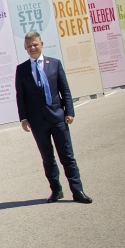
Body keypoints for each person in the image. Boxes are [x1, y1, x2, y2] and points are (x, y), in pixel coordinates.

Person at [15, 32, 93, 204]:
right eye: (28, 46)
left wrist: (69, 111)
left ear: (41, 44)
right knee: (47, 158)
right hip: (37, 122)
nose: (32, 48)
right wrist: (24, 119)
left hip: (58, 118)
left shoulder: (54, 64)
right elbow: (21, 96)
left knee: (67, 156)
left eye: (35, 44)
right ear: (25, 48)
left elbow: (64, 90)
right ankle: (56, 190)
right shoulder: (21, 69)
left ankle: (77, 190)